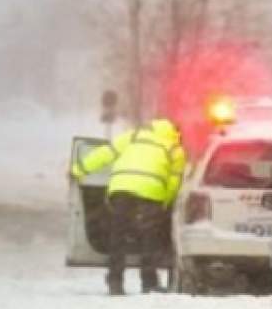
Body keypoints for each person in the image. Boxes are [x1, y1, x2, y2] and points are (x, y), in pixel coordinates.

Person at [71, 118, 186, 295]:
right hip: (151, 193)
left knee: (118, 236)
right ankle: (149, 283)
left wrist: (79, 169)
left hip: (121, 190)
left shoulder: (134, 136)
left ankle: (115, 281)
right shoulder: (174, 148)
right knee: (149, 239)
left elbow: (104, 154)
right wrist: (165, 202)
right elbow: (174, 181)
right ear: (174, 133)